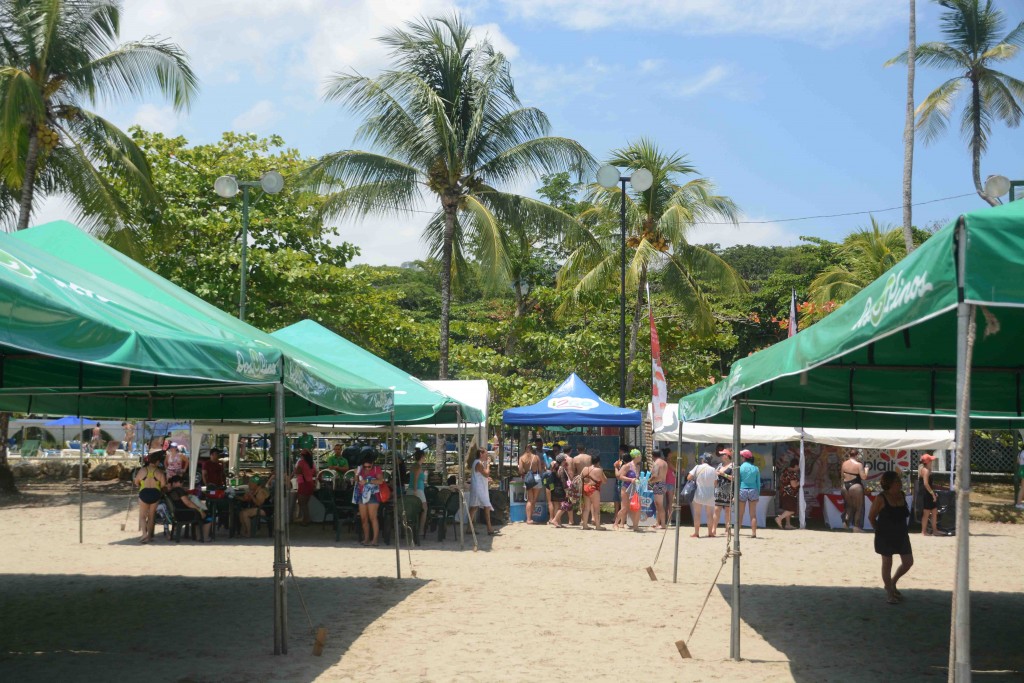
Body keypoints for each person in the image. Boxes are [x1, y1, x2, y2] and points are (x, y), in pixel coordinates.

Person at [869, 471, 914, 604]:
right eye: (897, 481)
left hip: (901, 534)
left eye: (899, 481)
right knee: (887, 563)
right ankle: (889, 593)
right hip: (885, 535)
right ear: (888, 483)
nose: (900, 483)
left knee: (908, 562)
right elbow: (871, 517)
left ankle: (893, 582)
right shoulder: (881, 498)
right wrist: (879, 531)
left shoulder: (902, 495)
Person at [166, 475, 212, 542]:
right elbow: (188, 503)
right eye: (180, 482)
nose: (182, 484)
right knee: (208, 515)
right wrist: (200, 510)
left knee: (198, 514)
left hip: (178, 514)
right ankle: (205, 537)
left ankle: (198, 536)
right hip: (184, 514)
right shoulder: (179, 490)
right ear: (175, 483)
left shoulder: (170, 492)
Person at [133, 450, 166, 543]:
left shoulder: (142, 470)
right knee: (151, 516)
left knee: (142, 516)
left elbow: (136, 482)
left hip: (144, 492)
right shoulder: (160, 472)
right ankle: (150, 536)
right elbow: (163, 484)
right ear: (157, 461)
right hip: (155, 493)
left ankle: (144, 534)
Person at [353, 451, 383, 546]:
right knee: (364, 518)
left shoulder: (376, 469)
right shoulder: (360, 469)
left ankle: (374, 540)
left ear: (372, 464)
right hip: (362, 495)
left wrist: (367, 480)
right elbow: (356, 481)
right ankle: (366, 538)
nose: (367, 468)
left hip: (373, 495)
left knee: (373, 518)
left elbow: (381, 481)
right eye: (365, 466)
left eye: (368, 467)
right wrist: (356, 474)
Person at [688, 453, 719, 538]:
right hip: (709, 494)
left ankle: (696, 533)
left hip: (699, 492)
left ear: (703, 460)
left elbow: (689, 477)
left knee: (697, 513)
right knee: (709, 514)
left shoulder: (697, 467)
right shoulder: (713, 469)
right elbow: (715, 483)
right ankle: (710, 532)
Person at [467, 445, 496, 535]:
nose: (487, 456)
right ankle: (489, 528)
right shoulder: (478, 463)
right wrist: (488, 464)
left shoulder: (478, 462)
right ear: (481, 454)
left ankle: (469, 528)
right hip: (479, 489)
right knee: (486, 506)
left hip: (479, 488)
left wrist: (487, 479)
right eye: (486, 454)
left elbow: (482, 475)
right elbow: (486, 473)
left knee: (474, 507)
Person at [841, 450, 871, 532]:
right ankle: (856, 527)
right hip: (855, 485)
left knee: (849, 506)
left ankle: (846, 522)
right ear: (857, 455)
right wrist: (866, 470)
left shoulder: (844, 463)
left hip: (845, 485)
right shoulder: (859, 465)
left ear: (849, 455)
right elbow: (863, 477)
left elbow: (842, 475)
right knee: (858, 508)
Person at [518, 444, 544, 524]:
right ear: (532, 449)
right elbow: (540, 470)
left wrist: (524, 474)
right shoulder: (536, 457)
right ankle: (531, 517)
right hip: (536, 477)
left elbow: (520, 471)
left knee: (529, 500)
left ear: (525, 449)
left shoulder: (522, 458)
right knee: (534, 500)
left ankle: (528, 519)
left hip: (528, 477)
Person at [738, 449, 761, 538]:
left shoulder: (740, 467)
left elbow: (738, 481)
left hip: (742, 489)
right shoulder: (755, 468)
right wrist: (758, 494)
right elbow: (758, 483)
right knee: (753, 514)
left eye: (741, 456)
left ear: (744, 457)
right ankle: (754, 533)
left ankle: (738, 532)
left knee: (740, 513)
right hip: (753, 490)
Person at [618, 449, 643, 532]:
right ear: (636, 456)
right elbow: (620, 476)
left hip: (635, 489)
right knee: (625, 508)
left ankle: (635, 526)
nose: (641, 457)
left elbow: (637, 478)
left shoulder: (638, 467)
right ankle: (616, 523)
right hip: (626, 489)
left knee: (637, 507)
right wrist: (630, 479)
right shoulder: (627, 466)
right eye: (640, 455)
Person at [580, 459, 607, 530]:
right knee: (596, 508)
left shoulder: (585, 468)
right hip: (594, 489)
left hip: (585, 488)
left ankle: (585, 525)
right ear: (598, 462)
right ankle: (598, 526)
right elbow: (605, 481)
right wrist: (602, 471)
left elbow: (581, 477)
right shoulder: (599, 470)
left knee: (586, 508)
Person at [918, 454, 940, 535]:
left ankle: (935, 530)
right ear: (927, 462)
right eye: (930, 460)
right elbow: (926, 484)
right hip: (926, 493)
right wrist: (932, 494)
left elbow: (929, 484)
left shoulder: (926, 469)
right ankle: (923, 531)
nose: (932, 462)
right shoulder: (926, 470)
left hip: (928, 493)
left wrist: (933, 493)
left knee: (934, 511)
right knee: (926, 512)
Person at [775, 458, 800, 530]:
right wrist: (800, 482)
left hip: (783, 493)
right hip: (790, 494)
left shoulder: (785, 471)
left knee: (787, 509)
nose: (798, 468)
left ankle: (788, 524)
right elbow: (794, 485)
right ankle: (779, 518)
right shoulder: (792, 473)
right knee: (792, 510)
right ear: (795, 465)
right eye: (798, 466)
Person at [294, 449, 317, 526]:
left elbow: (297, 471)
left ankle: (306, 519)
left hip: (303, 483)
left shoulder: (301, 463)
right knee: (305, 503)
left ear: (303, 456)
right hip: (310, 483)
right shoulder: (312, 464)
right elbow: (315, 473)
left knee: (301, 502)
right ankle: (305, 518)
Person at [715, 448, 735, 535]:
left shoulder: (733, 465)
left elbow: (734, 478)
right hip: (719, 490)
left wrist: (724, 474)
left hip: (728, 491)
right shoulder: (720, 465)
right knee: (716, 510)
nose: (721, 456)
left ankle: (727, 530)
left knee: (728, 511)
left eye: (722, 454)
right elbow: (715, 477)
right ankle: (713, 529)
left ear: (727, 456)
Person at [409, 448, 428, 537]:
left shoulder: (414, 465)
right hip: (417, 490)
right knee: (425, 509)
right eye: (424, 456)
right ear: (421, 457)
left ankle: (414, 529)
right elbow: (415, 480)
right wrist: (416, 491)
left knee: (412, 510)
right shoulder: (417, 466)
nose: (425, 458)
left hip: (413, 489)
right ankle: (420, 530)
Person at [649, 449, 669, 529]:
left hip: (658, 484)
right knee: (658, 505)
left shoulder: (656, 463)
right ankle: (658, 523)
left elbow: (655, 475)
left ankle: (663, 524)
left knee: (659, 505)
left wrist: (649, 480)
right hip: (663, 483)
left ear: (653, 456)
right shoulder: (664, 463)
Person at [613, 444, 629, 525]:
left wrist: (615, 467)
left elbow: (618, 475)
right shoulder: (626, 462)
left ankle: (618, 518)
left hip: (621, 483)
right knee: (619, 501)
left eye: (620, 450)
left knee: (620, 502)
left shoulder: (622, 462)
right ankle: (620, 518)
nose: (619, 452)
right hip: (620, 483)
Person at [664, 447, 677, 526]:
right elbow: (675, 469)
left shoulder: (665, 461)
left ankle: (667, 519)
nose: (672, 454)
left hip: (667, 482)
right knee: (670, 502)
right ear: (668, 454)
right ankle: (670, 519)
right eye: (671, 453)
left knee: (668, 502)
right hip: (669, 483)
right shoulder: (668, 462)